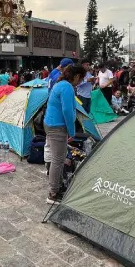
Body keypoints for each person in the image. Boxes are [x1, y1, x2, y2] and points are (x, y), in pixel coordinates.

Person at [43, 64, 86, 204]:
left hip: (50, 124)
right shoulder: (67, 87)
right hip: (57, 127)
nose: (80, 83)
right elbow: (67, 110)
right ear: (77, 76)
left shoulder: (60, 83)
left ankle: (56, 186)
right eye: (80, 80)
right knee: (58, 160)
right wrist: (72, 131)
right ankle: (53, 194)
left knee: (55, 157)